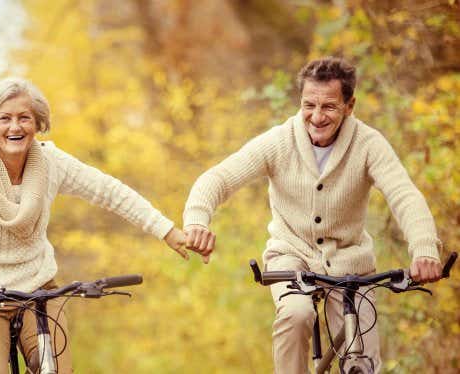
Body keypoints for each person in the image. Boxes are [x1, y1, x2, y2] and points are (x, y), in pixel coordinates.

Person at [182, 57, 443, 373]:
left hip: (350, 264)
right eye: (309, 105)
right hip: (290, 258)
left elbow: (404, 196)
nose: (316, 117)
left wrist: (425, 248)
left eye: (329, 107)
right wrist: (197, 220)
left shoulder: (369, 144)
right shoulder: (279, 142)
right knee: (296, 314)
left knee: (361, 359)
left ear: (349, 105)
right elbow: (218, 178)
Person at [0, 78, 188, 374]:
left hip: (38, 291)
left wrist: (167, 231)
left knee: (56, 370)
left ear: (38, 124)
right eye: (5, 119)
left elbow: (109, 191)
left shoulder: (51, 163)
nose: (15, 127)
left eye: (24, 118)